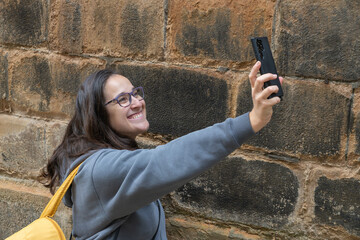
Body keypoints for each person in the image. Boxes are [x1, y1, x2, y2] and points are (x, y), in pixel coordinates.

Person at [39, 61, 283, 239]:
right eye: (123, 99)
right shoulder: (101, 171)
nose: (137, 102)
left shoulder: (103, 158)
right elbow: (166, 161)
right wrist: (252, 120)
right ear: (99, 115)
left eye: (135, 93)